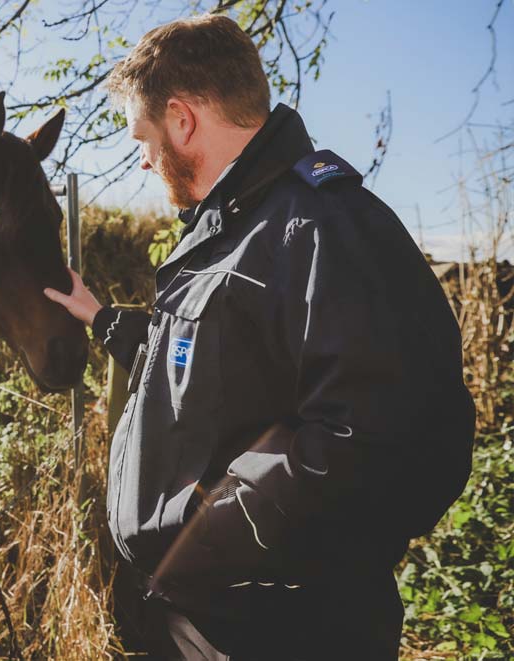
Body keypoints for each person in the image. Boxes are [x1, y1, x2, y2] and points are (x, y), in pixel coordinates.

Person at [43, 14, 475, 661]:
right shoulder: (231, 231)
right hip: (201, 621)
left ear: (183, 120)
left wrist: (200, 529)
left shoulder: (323, 226)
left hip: (281, 633)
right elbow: (201, 369)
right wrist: (103, 316)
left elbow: (384, 438)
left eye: (144, 135)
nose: (142, 157)